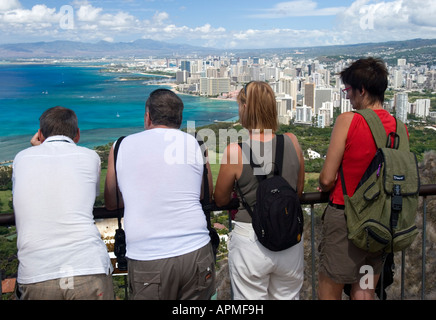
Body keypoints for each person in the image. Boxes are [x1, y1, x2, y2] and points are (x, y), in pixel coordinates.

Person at [104, 88, 216, 300]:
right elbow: (204, 193)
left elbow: (111, 202)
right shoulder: (196, 144)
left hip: (148, 256)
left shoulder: (120, 146)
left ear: (148, 117)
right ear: (179, 119)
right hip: (196, 251)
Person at [213, 81, 305, 300]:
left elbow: (220, 199)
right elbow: (298, 191)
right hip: (289, 236)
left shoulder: (235, 151)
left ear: (245, 108)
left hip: (251, 239)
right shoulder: (292, 142)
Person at [12, 106, 114, 300]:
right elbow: (87, 196)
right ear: (77, 134)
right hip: (88, 265)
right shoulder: (90, 157)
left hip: (37, 271)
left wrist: (38, 147)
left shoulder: (21, 159)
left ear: (40, 134)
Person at [318, 57, 399, 300]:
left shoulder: (349, 121)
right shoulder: (399, 126)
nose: (348, 97)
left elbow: (326, 179)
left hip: (347, 221)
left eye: (349, 91)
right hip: (381, 223)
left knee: (330, 289)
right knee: (364, 291)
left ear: (361, 90)